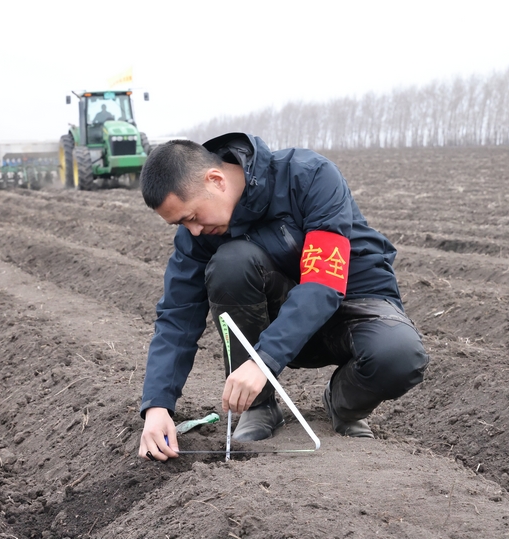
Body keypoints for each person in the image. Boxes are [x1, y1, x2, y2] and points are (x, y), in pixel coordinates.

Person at [137, 133, 429, 462]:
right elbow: (178, 316)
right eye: (180, 224)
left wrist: (263, 360)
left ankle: (343, 405)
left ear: (215, 180)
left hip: (354, 304)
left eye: (191, 217)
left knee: (399, 356)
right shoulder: (199, 236)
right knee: (230, 264)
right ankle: (258, 406)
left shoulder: (309, 176)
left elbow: (323, 282)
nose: (192, 231)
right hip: (281, 324)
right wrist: (157, 406)